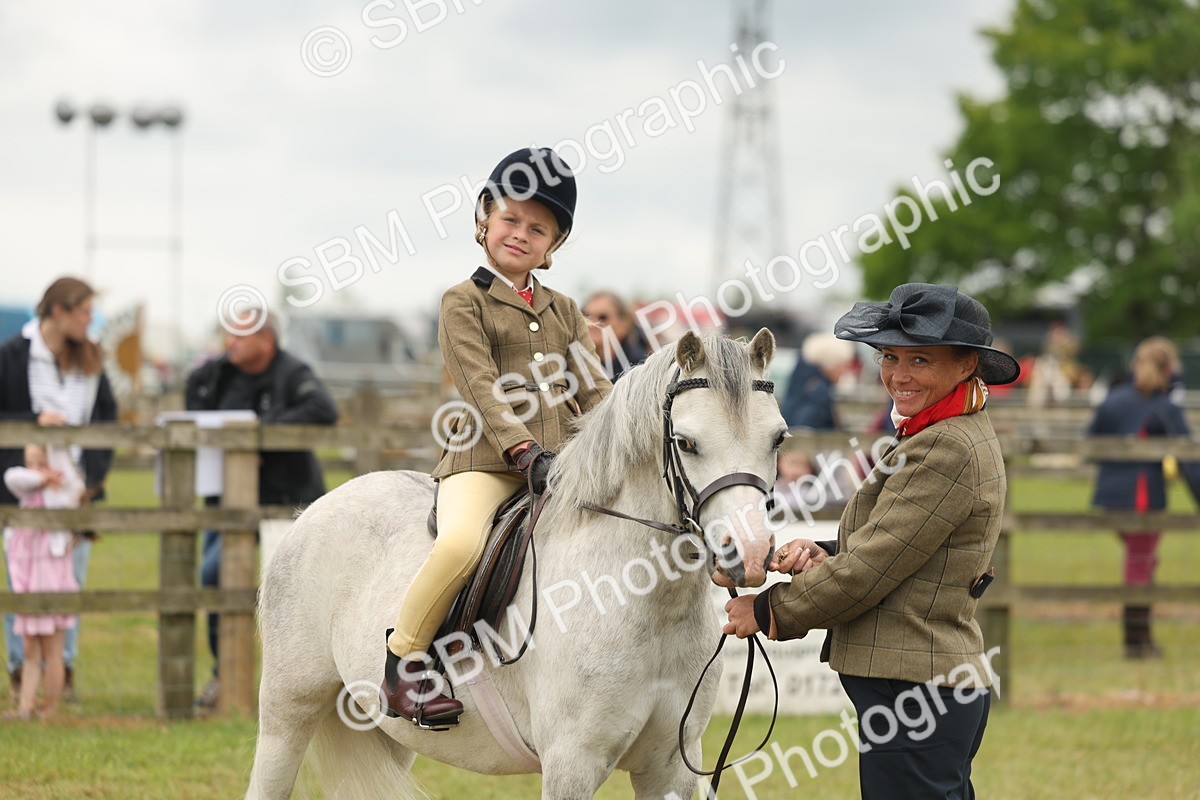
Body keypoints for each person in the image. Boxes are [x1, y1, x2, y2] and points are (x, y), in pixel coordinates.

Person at [725, 283, 1020, 799]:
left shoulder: (946, 447)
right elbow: (896, 550)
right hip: (920, 689)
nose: (898, 376)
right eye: (889, 357)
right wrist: (826, 554)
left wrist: (770, 609)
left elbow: (870, 572)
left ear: (966, 364)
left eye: (920, 360)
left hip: (917, 690)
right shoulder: (938, 431)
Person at [380, 147, 611, 728]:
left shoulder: (565, 310)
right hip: (486, 463)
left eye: (538, 228)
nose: (521, 234)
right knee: (460, 545)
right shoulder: (464, 301)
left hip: (558, 468)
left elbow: (593, 390)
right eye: (511, 219)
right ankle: (402, 662)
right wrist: (522, 448)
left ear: (553, 245)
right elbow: (481, 388)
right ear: (485, 218)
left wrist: (627, 435)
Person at [184, 310, 338, 709]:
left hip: (288, 503)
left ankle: (308, 681)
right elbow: (192, 405)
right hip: (228, 502)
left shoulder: (292, 372)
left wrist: (259, 436)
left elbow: (323, 410)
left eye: (239, 334)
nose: (229, 341)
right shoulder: (214, 374)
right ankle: (224, 675)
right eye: (227, 333)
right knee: (214, 574)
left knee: (300, 589)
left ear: (266, 340)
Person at [0, 277, 116, 706]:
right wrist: (33, 422)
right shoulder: (13, 355)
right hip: (24, 491)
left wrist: (93, 477)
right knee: (23, 581)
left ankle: (61, 673)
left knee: (70, 581)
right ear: (59, 311)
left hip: (74, 492)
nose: (90, 320)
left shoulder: (91, 360)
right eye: (84, 311)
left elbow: (107, 419)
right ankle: (21, 672)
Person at [1087, 336, 1200, 659]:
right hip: (1141, 496)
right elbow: (1190, 459)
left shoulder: (1112, 400)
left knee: (1144, 562)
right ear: (1168, 369)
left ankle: (1140, 638)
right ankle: (1136, 642)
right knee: (1139, 567)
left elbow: (1091, 444)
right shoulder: (1165, 408)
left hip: (1110, 496)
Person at [3, 445, 85, 718]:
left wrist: (55, 481)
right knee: (29, 649)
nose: (35, 469)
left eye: (41, 463)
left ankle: (49, 707)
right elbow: (12, 477)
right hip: (29, 582)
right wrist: (41, 476)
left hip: (51, 581)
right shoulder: (28, 490)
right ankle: (25, 707)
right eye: (31, 464)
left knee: (53, 651)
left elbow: (75, 494)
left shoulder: (59, 497)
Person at [779, 332, 857, 430]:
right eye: (843, 364)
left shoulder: (802, 382)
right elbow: (805, 426)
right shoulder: (818, 391)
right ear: (833, 364)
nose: (844, 371)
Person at [581, 290, 648, 380]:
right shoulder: (572, 365)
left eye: (602, 317)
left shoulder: (640, 369)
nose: (592, 324)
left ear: (624, 323)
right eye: (586, 316)